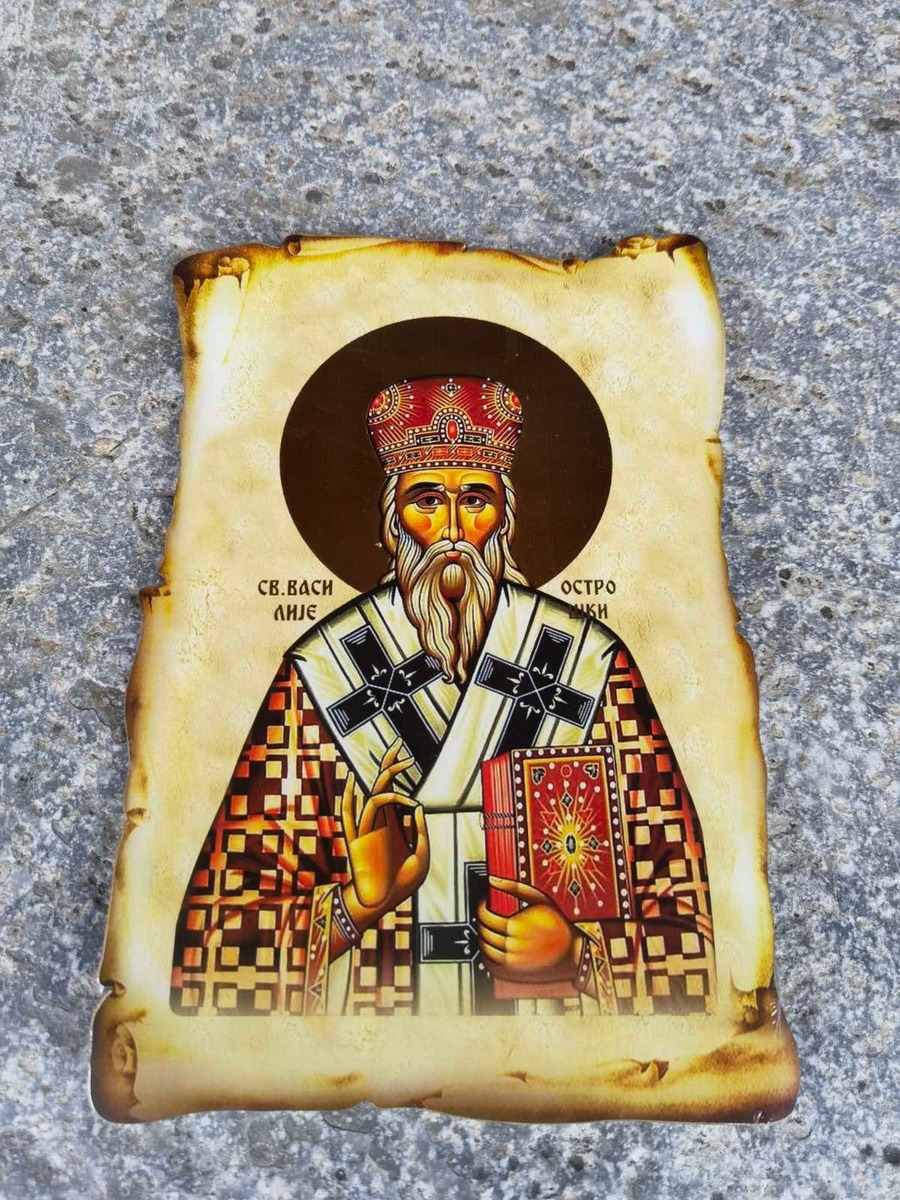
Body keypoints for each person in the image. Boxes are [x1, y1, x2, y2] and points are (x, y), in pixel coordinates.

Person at [171, 376, 716, 1017]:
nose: (454, 529)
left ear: (504, 518)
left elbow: (688, 923)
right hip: (376, 1027)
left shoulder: (590, 665)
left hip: (552, 1035)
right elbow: (213, 948)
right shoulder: (321, 673)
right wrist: (355, 907)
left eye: (476, 500)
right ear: (392, 519)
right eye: (427, 500)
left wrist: (576, 956)